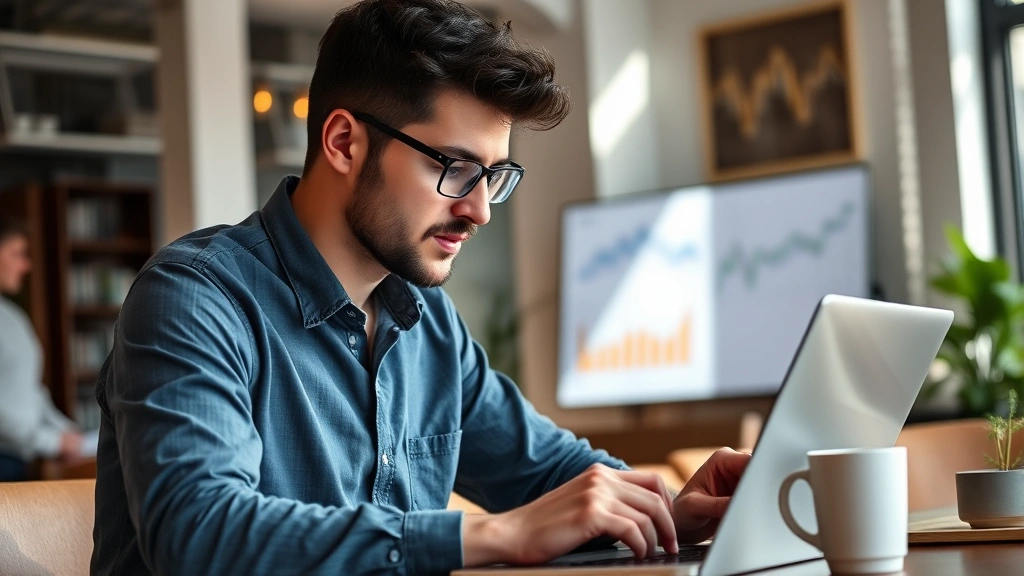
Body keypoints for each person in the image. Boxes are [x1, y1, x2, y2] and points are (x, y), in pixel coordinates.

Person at [91, 0, 750, 574]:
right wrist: (496, 534)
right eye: (456, 168)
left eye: (493, 176)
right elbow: (199, 533)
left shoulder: (426, 321)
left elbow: (549, 473)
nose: (480, 210)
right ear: (344, 143)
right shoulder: (195, 298)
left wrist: (669, 510)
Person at [0, 216, 84, 481]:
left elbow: (27, 390)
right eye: (17, 254)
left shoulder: (13, 317)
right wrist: (50, 441)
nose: (27, 265)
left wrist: (66, 432)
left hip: (16, 463)